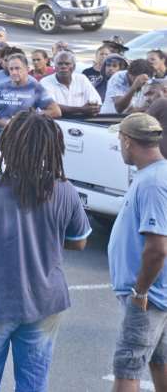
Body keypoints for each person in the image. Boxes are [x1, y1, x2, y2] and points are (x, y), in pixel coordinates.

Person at [0, 111, 91, 390]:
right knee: (34, 380)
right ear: (53, 147)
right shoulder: (65, 190)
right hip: (45, 301)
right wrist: (46, 233)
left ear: (10, 144)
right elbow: (79, 241)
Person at [106, 113, 167, 392]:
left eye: (120, 139)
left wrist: (140, 292)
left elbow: (157, 248)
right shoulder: (156, 174)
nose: (119, 145)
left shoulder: (153, 183)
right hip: (159, 293)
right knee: (159, 361)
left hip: (149, 297)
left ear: (128, 142)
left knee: (128, 367)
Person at [0, 53, 61, 138]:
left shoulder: (35, 88)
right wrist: (4, 123)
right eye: (11, 69)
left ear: (27, 69)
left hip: (26, 137)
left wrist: (29, 118)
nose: (14, 72)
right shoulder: (1, 88)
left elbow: (56, 111)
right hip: (1, 136)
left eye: (17, 68)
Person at [41, 51, 102, 116]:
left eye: (67, 64)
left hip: (82, 121)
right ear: (55, 67)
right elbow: (51, 107)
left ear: (74, 67)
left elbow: (96, 102)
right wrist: (81, 109)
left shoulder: (82, 79)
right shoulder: (45, 82)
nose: (63, 66)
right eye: (60, 64)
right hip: (57, 121)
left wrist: (93, 108)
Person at [146, 82, 167, 158]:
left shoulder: (161, 102)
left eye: (151, 93)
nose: (147, 99)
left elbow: (140, 124)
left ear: (165, 90)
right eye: (146, 95)